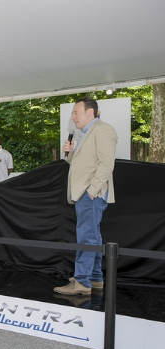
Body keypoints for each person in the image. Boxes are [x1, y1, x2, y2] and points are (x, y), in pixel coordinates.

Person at [54, 98, 117, 296]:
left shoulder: (103, 130)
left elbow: (106, 164)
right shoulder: (85, 133)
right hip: (85, 193)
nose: (73, 117)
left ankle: (82, 282)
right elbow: (81, 164)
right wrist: (70, 154)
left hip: (90, 194)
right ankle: (95, 278)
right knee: (92, 236)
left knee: (86, 237)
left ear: (90, 112)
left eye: (76, 112)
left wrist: (91, 191)